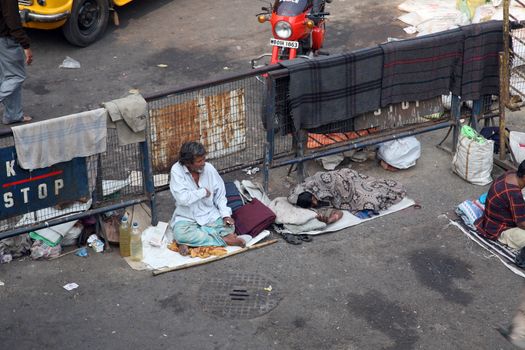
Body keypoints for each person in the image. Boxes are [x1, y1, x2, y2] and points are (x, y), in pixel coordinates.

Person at [169, 141, 245, 256]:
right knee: (180, 233)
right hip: (187, 217)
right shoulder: (176, 171)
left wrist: (225, 215)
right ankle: (224, 240)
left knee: (230, 227)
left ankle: (188, 243)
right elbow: (182, 199)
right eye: (199, 161)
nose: (203, 163)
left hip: (209, 215)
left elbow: (220, 194)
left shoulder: (209, 169)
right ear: (188, 163)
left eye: (204, 159)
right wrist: (203, 192)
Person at [288, 167, 406, 214]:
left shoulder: (310, 186)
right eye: (312, 204)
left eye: (313, 200)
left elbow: (333, 187)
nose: (315, 202)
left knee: (371, 194)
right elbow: (292, 198)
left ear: (312, 194)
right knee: (370, 200)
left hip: (346, 178)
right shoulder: (301, 197)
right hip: (340, 185)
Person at [474, 160, 525, 251]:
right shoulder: (514, 194)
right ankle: (504, 239)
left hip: (491, 219)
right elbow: (521, 224)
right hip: (499, 229)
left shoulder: (510, 174)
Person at [0, 0, 33, 125]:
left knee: (6, 77)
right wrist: (25, 45)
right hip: (5, 40)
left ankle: (13, 115)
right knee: (16, 76)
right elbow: (12, 20)